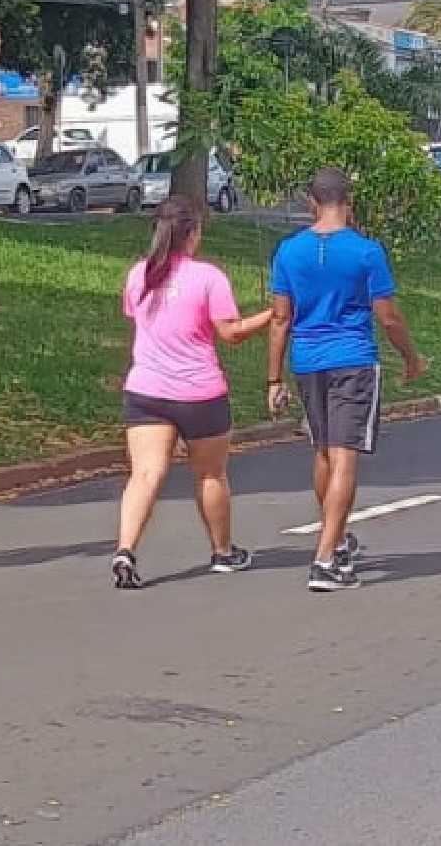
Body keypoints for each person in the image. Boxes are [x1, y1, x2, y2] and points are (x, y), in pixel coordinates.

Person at [268, 167, 429, 592]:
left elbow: (280, 319)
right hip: (352, 360)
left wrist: (273, 379)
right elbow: (388, 317)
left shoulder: (289, 251)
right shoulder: (366, 252)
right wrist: (411, 359)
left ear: (311, 201)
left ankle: (336, 539)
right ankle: (325, 560)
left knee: (323, 452)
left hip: (308, 362)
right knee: (344, 457)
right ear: (349, 200)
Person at [111, 197, 272, 589]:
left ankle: (126, 549)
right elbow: (231, 333)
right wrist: (273, 315)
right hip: (199, 392)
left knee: (145, 473)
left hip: (147, 389)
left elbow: (135, 315)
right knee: (210, 474)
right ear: (193, 233)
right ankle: (222, 551)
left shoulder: (139, 274)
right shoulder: (208, 278)